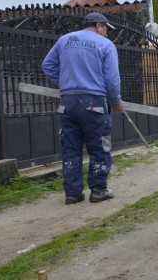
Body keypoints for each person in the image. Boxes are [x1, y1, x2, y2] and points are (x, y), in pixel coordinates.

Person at [42, 12, 125, 204]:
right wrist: (116, 101)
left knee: (71, 148)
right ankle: (98, 190)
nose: (107, 34)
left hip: (68, 102)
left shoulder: (65, 40)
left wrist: (65, 83)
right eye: (106, 29)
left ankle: (73, 194)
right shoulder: (105, 45)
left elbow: (48, 65)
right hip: (93, 102)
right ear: (98, 26)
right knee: (99, 147)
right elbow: (112, 79)